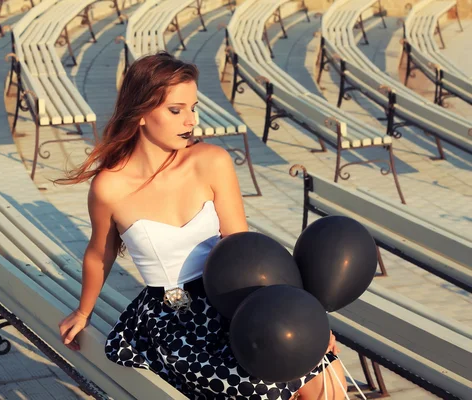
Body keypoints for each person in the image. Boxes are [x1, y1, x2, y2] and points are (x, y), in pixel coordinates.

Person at [57, 51, 347, 400]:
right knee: (258, 384)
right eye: (176, 110)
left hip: (231, 296)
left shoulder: (211, 161)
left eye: (193, 108)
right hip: (174, 318)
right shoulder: (109, 187)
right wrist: (83, 311)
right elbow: (99, 252)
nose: (190, 120)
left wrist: (303, 323)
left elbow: (244, 249)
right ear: (141, 113)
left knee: (324, 372)